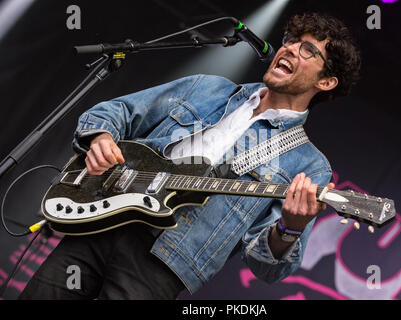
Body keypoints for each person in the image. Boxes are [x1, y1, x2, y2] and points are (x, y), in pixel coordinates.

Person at [19, 12, 360, 299]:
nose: (288, 48)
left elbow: (269, 267)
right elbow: (117, 112)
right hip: (103, 218)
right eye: (289, 40)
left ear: (327, 82)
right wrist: (101, 139)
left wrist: (290, 228)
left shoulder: (309, 166)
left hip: (164, 266)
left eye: (307, 50)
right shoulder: (206, 87)